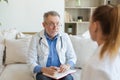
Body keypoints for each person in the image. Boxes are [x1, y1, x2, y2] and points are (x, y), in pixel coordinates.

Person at [27, 11, 77, 80]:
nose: (55, 27)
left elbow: (72, 57)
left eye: (58, 24)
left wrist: (67, 65)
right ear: (44, 25)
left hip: (61, 72)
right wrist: (44, 69)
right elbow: (31, 61)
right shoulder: (36, 38)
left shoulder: (65, 37)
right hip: (44, 72)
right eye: (51, 24)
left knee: (68, 79)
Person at [81, 5, 120, 80]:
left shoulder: (95, 66)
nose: (88, 27)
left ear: (95, 26)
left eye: (90, 22)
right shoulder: (116, 53)